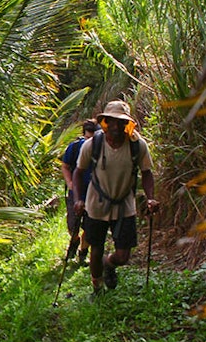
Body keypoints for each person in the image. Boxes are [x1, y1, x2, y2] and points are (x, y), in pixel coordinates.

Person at [72, 100, 159, 294]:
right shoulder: (92, 144)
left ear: (127, 124)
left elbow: (146, 173)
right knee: (96, 248)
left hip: (124, 204)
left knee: (123, 255)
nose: (115, 126)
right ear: (105, 122)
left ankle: (109, 264)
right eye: (111, 121)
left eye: (120, 122)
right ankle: (97, 287)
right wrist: (78, 199)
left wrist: (151, 197)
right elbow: (78, 172)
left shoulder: (137, 145)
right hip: (96, 203)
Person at [60, 119, 98, 265]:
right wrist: (70, 183)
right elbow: (65, 166)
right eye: (88, 138)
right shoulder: (75, 147)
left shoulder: (102, 149)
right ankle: (74, 242)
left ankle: (83, 253)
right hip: (76, 193)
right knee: (72, 225)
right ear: (83, 136)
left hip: (94, 195)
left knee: (90, 226)